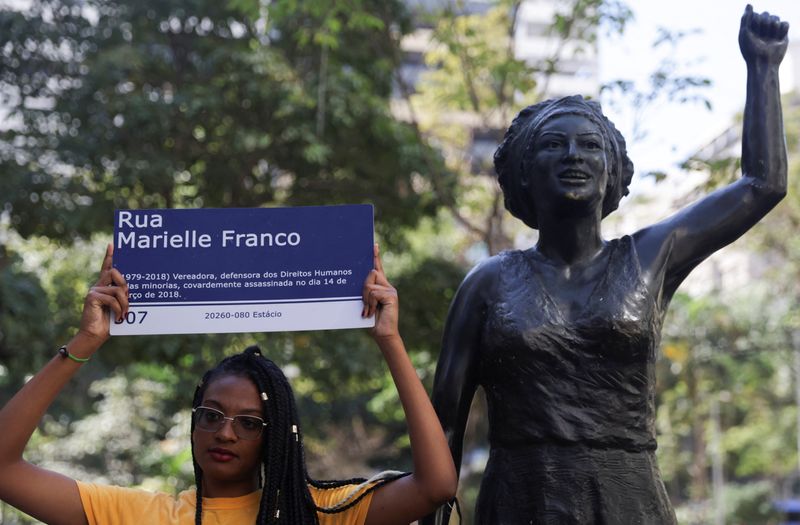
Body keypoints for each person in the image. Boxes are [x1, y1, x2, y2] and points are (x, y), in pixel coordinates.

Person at [422, 5, 788, 524]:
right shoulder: (488, 283)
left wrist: (763, 68)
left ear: (611, 168)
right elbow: (444, 429)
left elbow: (761, 186)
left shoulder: (650, 256)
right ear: (526, 173)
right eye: (554, 145)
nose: (574, 155)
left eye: (589, 145)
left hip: (627, 500)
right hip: (522, 500)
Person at [0, 243, 457, 524]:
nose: (225, 432)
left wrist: (391, 341)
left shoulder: (320, 513)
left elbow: (436, 486)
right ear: (194, 420)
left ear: (274, 435)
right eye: (212, 415)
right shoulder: (140, 515)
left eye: (250, 423)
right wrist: (84, 341)